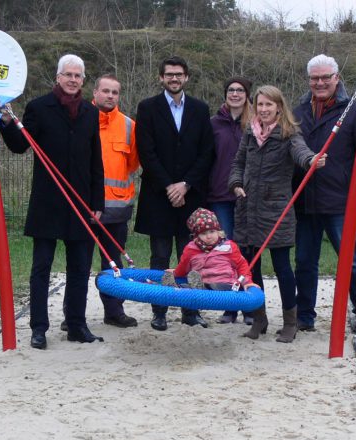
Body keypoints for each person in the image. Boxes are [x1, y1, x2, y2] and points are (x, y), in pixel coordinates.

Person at [0, 54, 105, 349]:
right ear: (58, 77)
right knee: (41, 267)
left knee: (80, 267)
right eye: (67, 74)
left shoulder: (89, 112)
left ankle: (76, 324)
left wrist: (98, 200)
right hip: (48, 201)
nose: (72, 80)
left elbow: (96, 159)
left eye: (78, 76)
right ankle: (39, 328)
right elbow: (21, 146)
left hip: (81, 202)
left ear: (83, 80)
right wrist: (6, 120)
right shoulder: (39, 107)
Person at [291, 54, 356, 335]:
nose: (320, 83)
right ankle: (305, 315)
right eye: (315, 78)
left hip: (341, 199)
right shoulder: (298, 111)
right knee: (305, 260)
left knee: (351, 257)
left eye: (325, 77)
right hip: (305, 199)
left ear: (336, 78)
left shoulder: (354, 110)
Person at [229, 85, 326, 343]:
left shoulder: (289, 134)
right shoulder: (250, 132)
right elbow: (238, 163)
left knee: (282, 268)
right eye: (260, 105)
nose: (263, 110)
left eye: (268, 105)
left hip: (276, 211)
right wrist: (236, 184)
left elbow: (301, 153)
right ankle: (259, 318)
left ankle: (290, 322)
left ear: (279, 107)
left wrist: (312, 160)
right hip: (248, 209)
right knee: (252, 268)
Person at [134, 55, 216, 331]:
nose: (174, 78)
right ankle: (159, 311)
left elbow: (207, 152)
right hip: (159, 195)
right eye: (169, 74)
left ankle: (190, 311)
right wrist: (169, 185)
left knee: (191, 256)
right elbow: (146, 150)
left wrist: (186, 184)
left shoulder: (200, 109)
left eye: (179, 74)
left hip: (190, 196)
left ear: (186, 77)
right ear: (161, 77)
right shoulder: (147, 108)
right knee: (159, 256)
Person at [88, 73, 141, 328]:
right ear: (95, 92)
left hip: (117, 208)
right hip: (84, 207)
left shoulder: (130, 126)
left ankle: (114, 312)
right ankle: (72, 316)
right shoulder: (81, 120)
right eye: (105, 91)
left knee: (113, 263)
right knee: (79, 263)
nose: (110, 96)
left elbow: (131, 165)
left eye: (115, 92)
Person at [208, 76, 252, 325]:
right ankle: (229, 307)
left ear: (247, 95)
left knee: (244, 251)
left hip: (246, 196)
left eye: (240, 90)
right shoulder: (214, 123)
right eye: (231, 90)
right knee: (225, 251)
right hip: (219, 195)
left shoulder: (254, 123)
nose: (235, 94)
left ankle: (247, 306)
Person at [162, 208, 256, 293]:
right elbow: (184, 266)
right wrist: (175, 273)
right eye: (203, 233)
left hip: (226, 284)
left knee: (216, 286)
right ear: (196, 236)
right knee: (187, 287)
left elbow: (241, 265)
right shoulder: (191, 249)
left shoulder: (229, 247)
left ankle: (198, 288)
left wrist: (247, 282)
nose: (209, 236)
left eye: (212, 232)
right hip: (202, 282)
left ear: (218, 231)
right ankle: (173, 287)